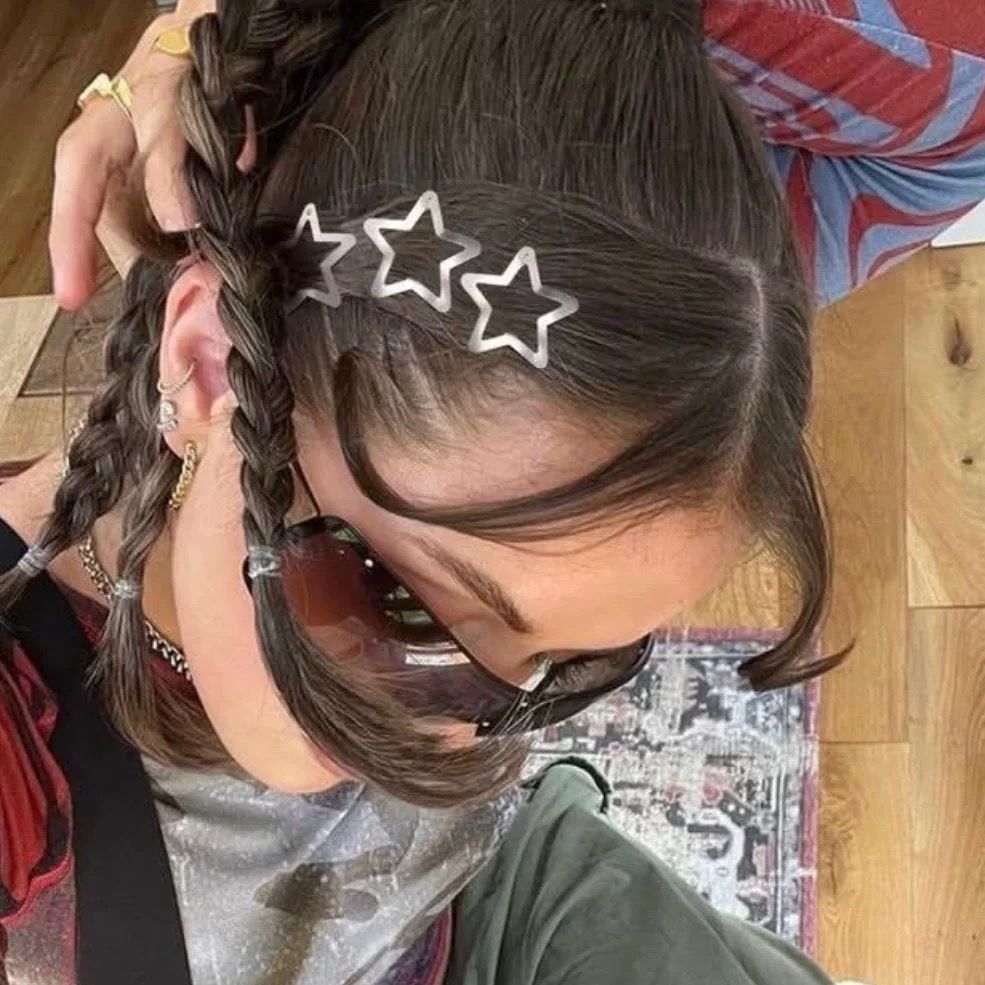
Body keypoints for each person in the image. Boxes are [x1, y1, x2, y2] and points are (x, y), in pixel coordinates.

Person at [3, 0, 984, 983]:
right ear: (210, 362)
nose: (451, 747)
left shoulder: (594, 347)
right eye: (402, 616)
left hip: (493, 899)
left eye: (567, 669)